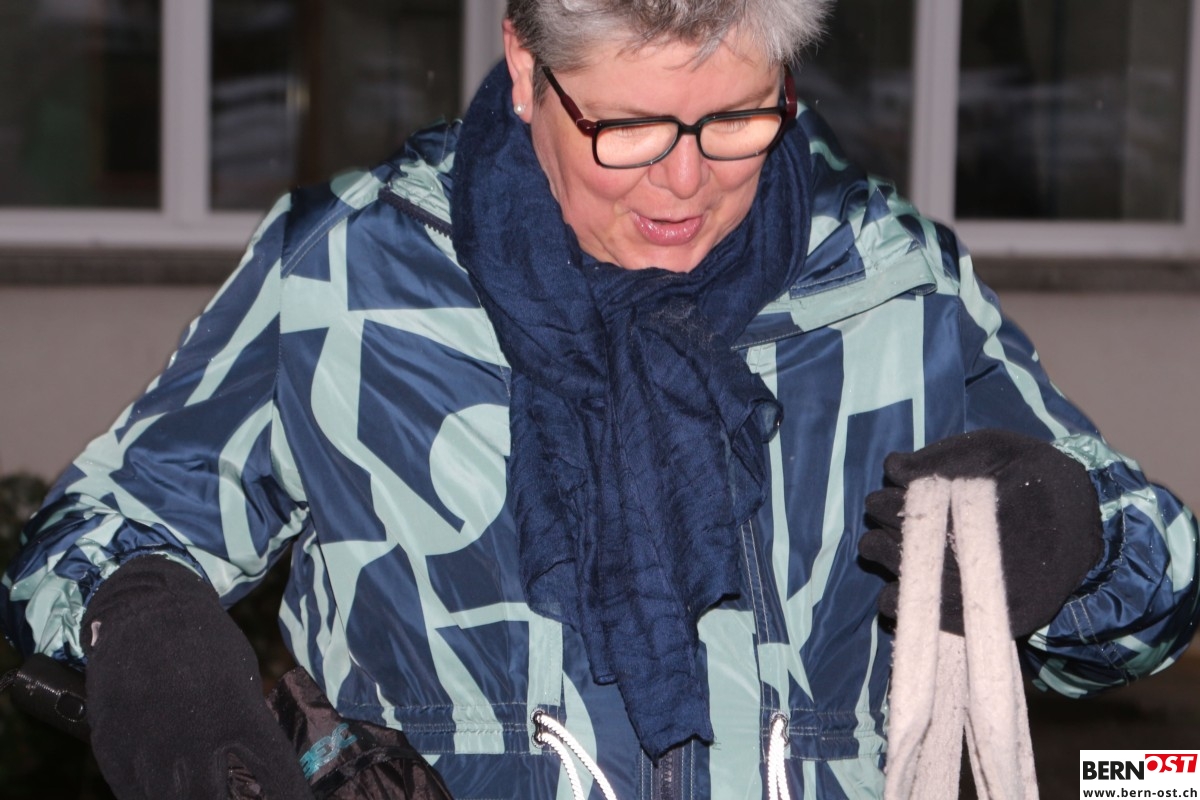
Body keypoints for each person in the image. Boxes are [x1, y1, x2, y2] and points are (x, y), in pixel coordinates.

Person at [2, 1, 1198, 798]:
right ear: (528, 69)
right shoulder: (346, 274)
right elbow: (87, 539)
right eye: (627, 127)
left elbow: (1160, 600)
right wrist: (144, 627)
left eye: (737, 118)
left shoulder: (893, 287)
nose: (684, 181)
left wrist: (1082, 537)